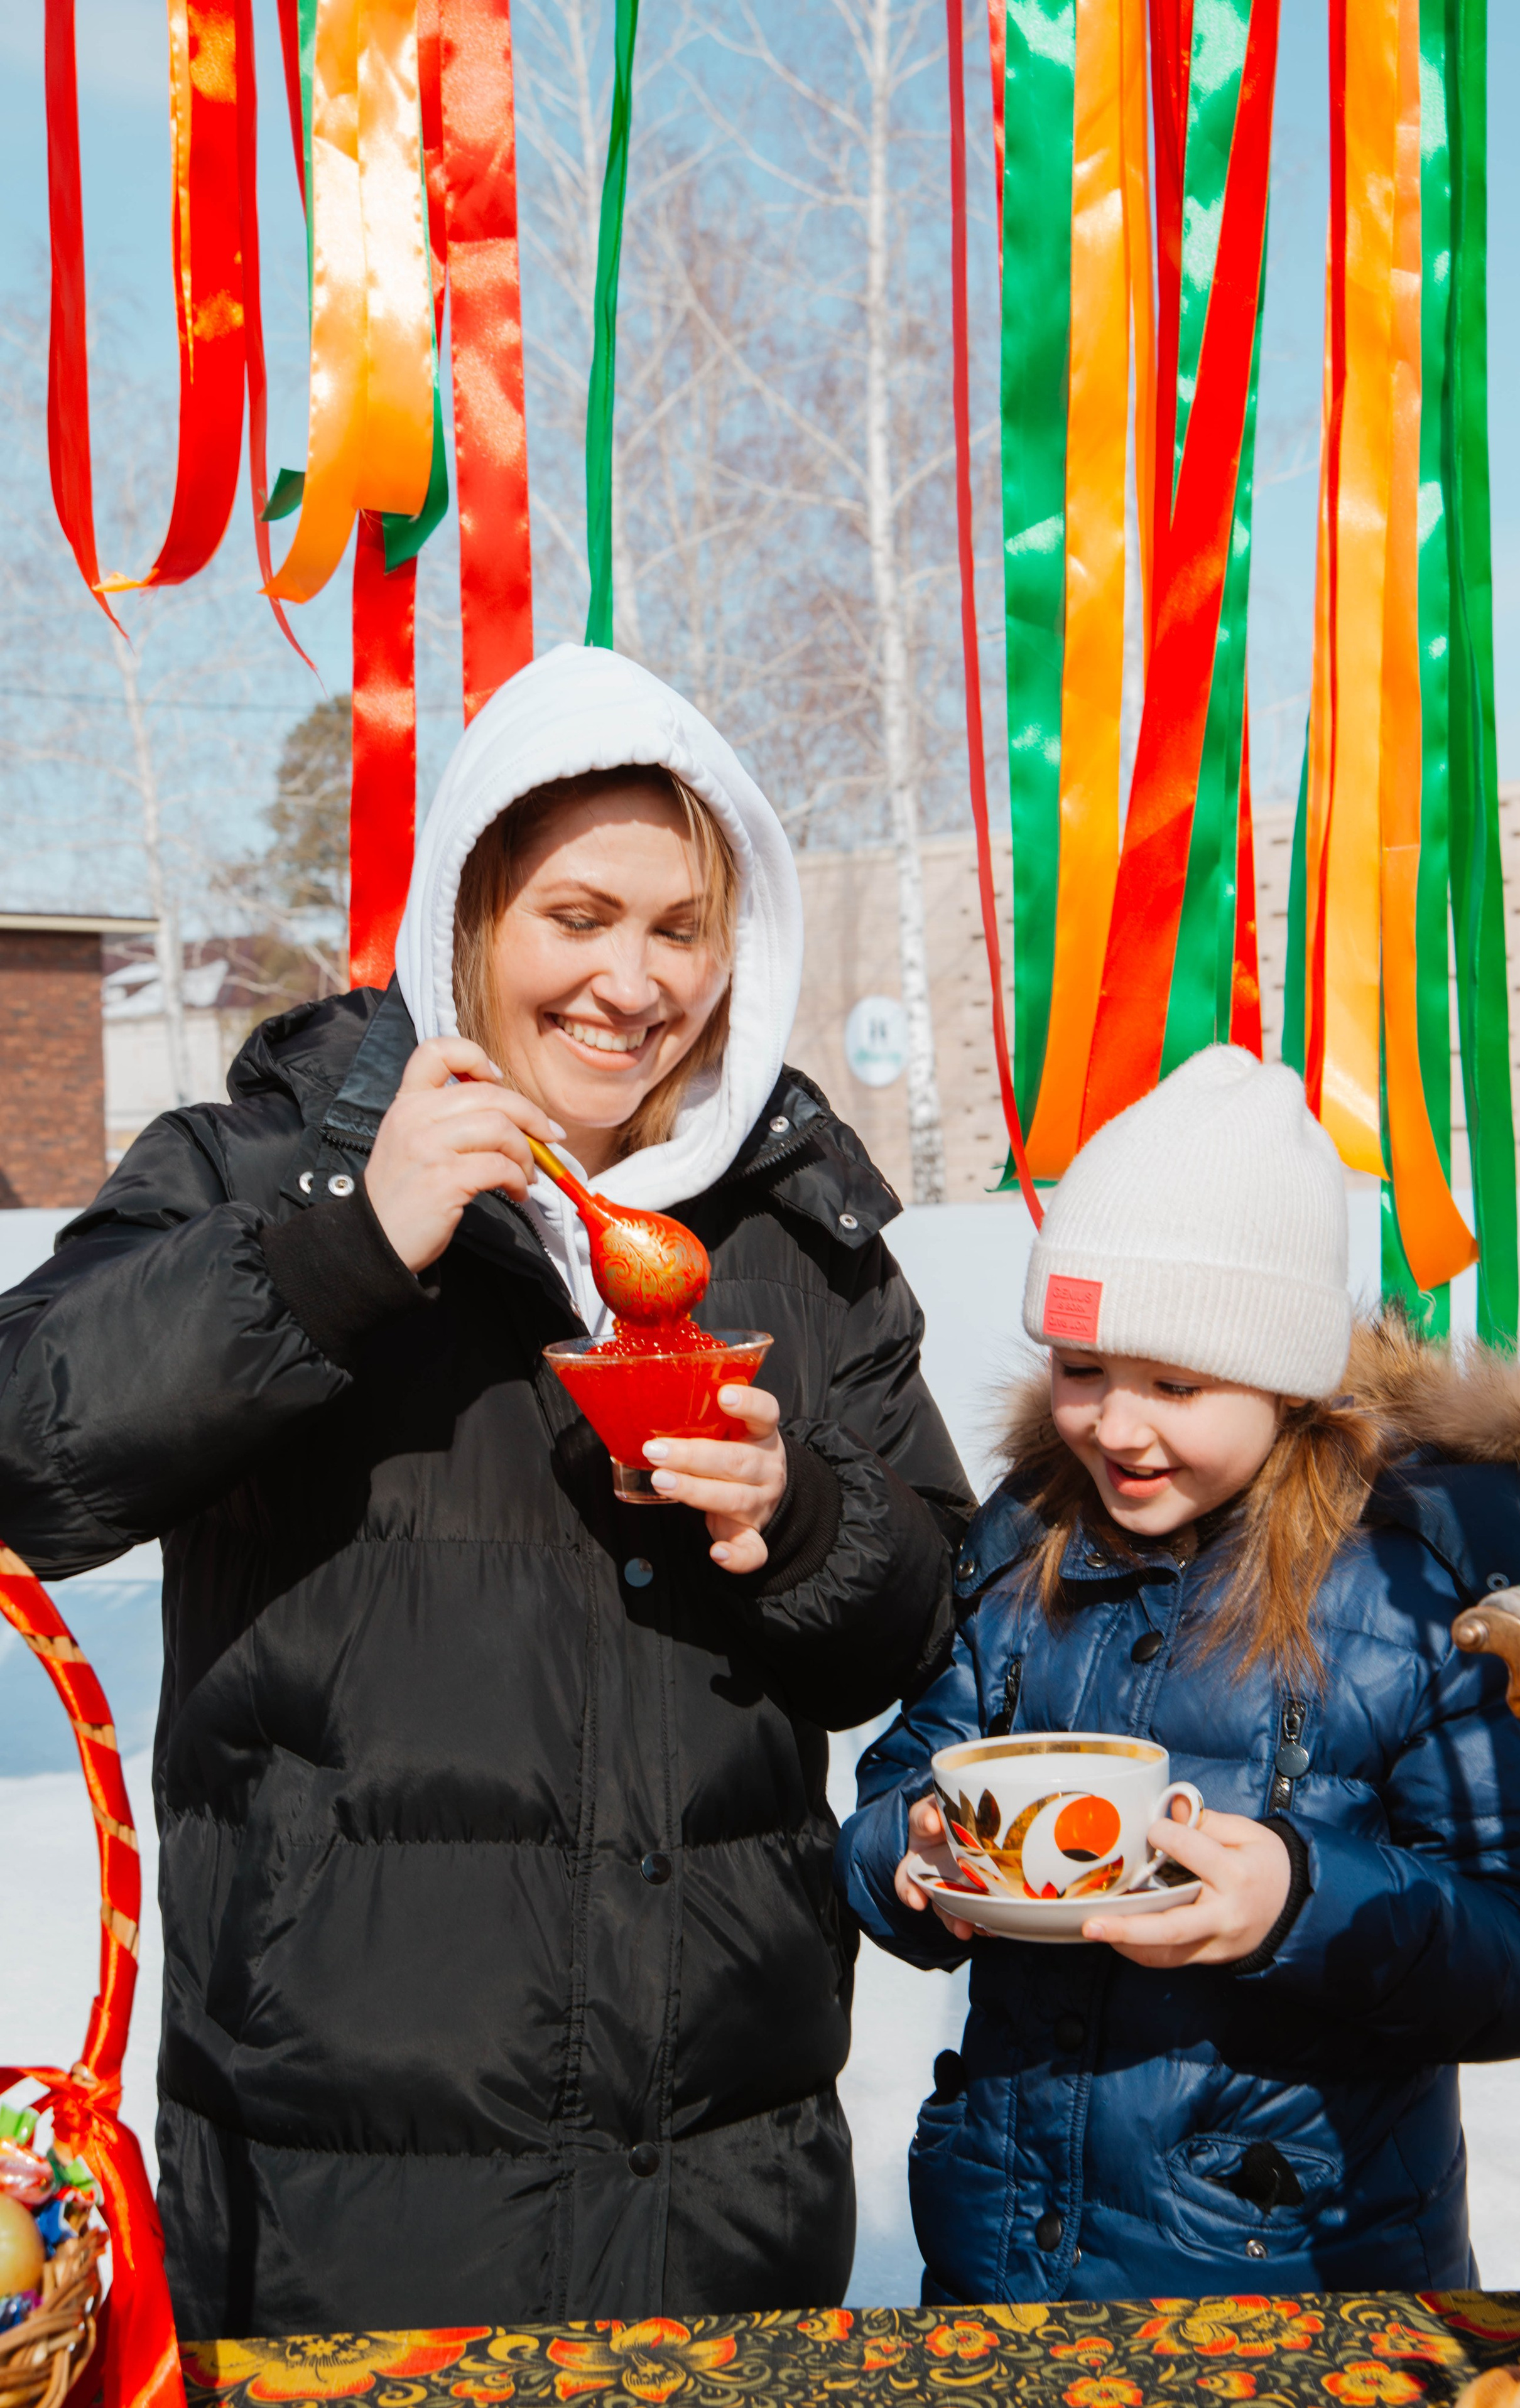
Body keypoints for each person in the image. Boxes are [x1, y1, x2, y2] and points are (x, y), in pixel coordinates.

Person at [0, 645, 971, 2336]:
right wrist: (337, 1258)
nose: (633, 981)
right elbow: (28, 1454)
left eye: (682, 928)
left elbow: (919, 1616)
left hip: (719, 2178)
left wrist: (798, 1518)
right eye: (577, 916)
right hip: (340, 2184)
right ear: (468, 917)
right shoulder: (264, 1167)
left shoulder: (798, 1229)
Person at [837, 1045, 1520, 2302]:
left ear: (1285, 1376)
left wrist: (1298, 1902)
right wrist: (914, 1855)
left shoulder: (1418, 1585)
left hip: (1297, 2280)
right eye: (1080, 1368)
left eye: (1175, 1383)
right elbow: (896, 1783)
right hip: (1000, 2266)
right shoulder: (1031, 1536)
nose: (1114, 1425)